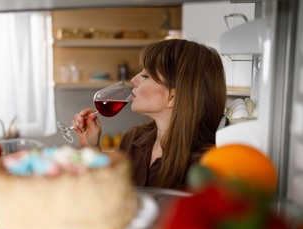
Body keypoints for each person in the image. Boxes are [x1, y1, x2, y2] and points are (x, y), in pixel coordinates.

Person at [73, 39, 226, 189]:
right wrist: (91, 147)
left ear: (172, 97)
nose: (133, 80)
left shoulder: (205, 166)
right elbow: (112, 195)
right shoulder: (132, 138)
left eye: (146, 76)